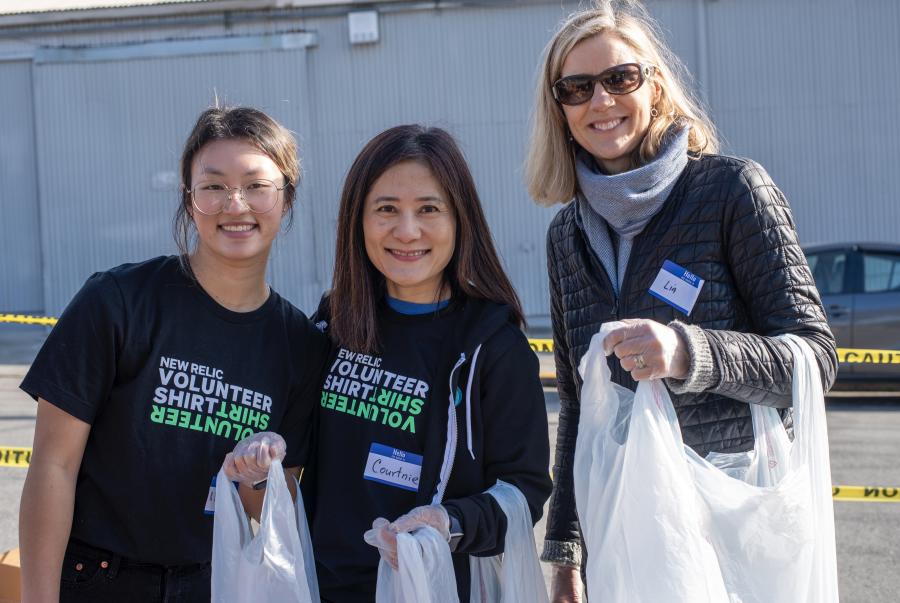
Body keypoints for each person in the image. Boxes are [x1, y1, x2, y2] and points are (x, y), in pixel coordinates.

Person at [524, 1, 838, 601]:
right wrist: (566, 552)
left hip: (734, 519)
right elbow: (574, 402)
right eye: (577, 88)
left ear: (656, 86)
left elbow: (815, 357)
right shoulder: (567, 235)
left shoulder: (730, 190)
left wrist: (690, 352)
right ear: (558, 109)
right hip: (631, 525)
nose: (601, 101)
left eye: (621, 78)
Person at [18, 106, 329, 603]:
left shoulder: (302, 345)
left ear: (286, 198)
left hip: (213, 581)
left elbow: (266, 508)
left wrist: (255, 474)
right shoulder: (118, 300)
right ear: (189, 199)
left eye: (256, 185)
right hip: (97, 577)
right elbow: (53, 465)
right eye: (212, 186)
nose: (235, 204)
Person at [301, 124, 553, 602]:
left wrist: (448, 523)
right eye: (387, 210)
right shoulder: (330, 328)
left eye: (429, 209)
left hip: (436, 590)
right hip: (324, 589)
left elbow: (524, 491)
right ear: (358, 219)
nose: (407, 231)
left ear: (460, 219)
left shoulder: (493, 348)